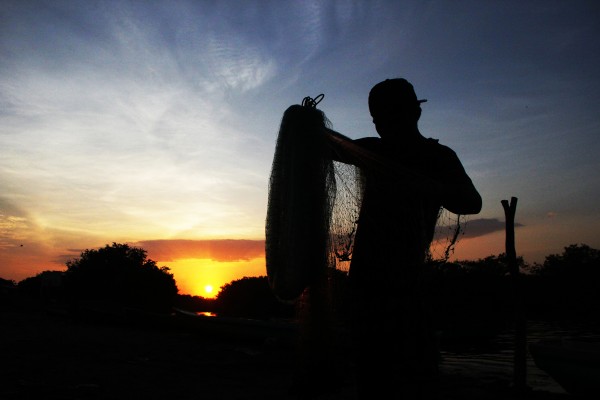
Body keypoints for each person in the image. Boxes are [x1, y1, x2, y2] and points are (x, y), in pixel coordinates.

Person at [327, 78, 482, 399]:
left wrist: (429, 187)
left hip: (409, 282)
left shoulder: (438, 157)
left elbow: (471, 201)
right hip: (366, 282)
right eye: (378, 119)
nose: (383, 124)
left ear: (414, 113)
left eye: (389, 115)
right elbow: (330, 146)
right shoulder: (374, 150)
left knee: (415, 369)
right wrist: (306, 123)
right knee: (371, 372)